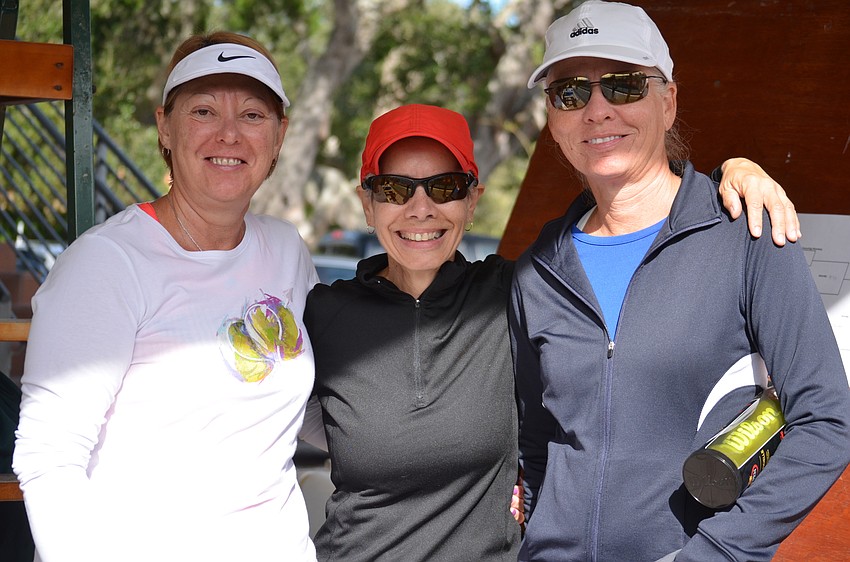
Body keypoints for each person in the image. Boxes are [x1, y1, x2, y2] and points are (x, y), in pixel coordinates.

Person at [303, 103, 798, 561]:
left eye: (445, 187)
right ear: (367, 203)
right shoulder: (323, 314)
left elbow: (626, 215)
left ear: (472, 202)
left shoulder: (519, 290)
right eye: (394, 189)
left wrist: (731, 174)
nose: (420, 208)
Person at [510, 2, 850, 561]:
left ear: (667, 102)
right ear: (553, 118)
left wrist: (717, 552)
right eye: (570, 93)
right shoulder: (537, 271)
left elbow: (827, 421)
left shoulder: (748, 234)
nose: (597, 110)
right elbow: (537, 442)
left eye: (623, 86)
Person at [13, 32, 321, 562]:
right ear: (165, 127)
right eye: (204, 111)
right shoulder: (107, 262)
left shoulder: (286, 249)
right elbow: (49, 456)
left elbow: (309, 407)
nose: (229, 134)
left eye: (252, 115)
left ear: (279, 136)